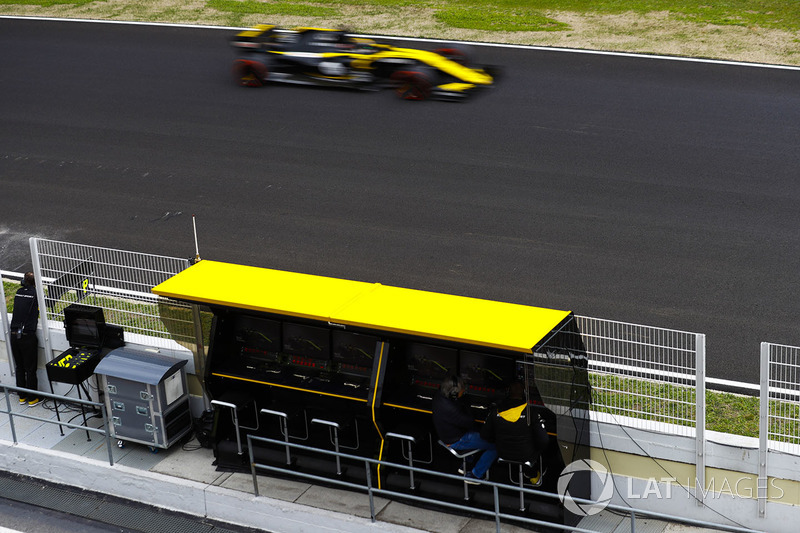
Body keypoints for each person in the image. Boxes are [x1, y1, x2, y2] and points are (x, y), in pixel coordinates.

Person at [481, 381, 550, 484]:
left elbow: (485, 435)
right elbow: (544, 441)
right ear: (525, 393)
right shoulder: (531, 412)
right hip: (526, 455)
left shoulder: (495, 411)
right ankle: (533, 475)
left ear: (508, 392)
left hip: (502, 453)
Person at [432, 375, 497, 483]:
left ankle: (467, 461)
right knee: (496, 444)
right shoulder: (451, 409)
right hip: (457, 440)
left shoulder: (439, 396)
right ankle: (475, 475)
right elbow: (470, 421)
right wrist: (468, 404)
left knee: (481, 431)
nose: (464, 391)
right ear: (454, 394)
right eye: (462, 390)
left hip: (450, 434)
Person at [9, 272, 41, 407]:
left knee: (19, 367)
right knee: (30, 368)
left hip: (14, 334)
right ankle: (32, 398)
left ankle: (22, 397)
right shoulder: (36, 294)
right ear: (36, 283)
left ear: (23, 281)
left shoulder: (18, 292)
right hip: (27, 335)